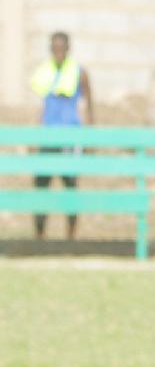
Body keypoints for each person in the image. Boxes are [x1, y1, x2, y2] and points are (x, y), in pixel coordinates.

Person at [29, 31, 94, 240]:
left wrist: (90, 137)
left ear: (67, 49)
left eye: (60, 48)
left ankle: (71, 236)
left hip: (69, 136)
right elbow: (40, 106)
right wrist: (34, 134)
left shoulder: (79, 72)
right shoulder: (45, 73)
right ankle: (40, 236)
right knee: (41, 184)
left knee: (70, 186)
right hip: (48, 137)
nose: (57, 53)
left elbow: (88, 106)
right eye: (53, 48)